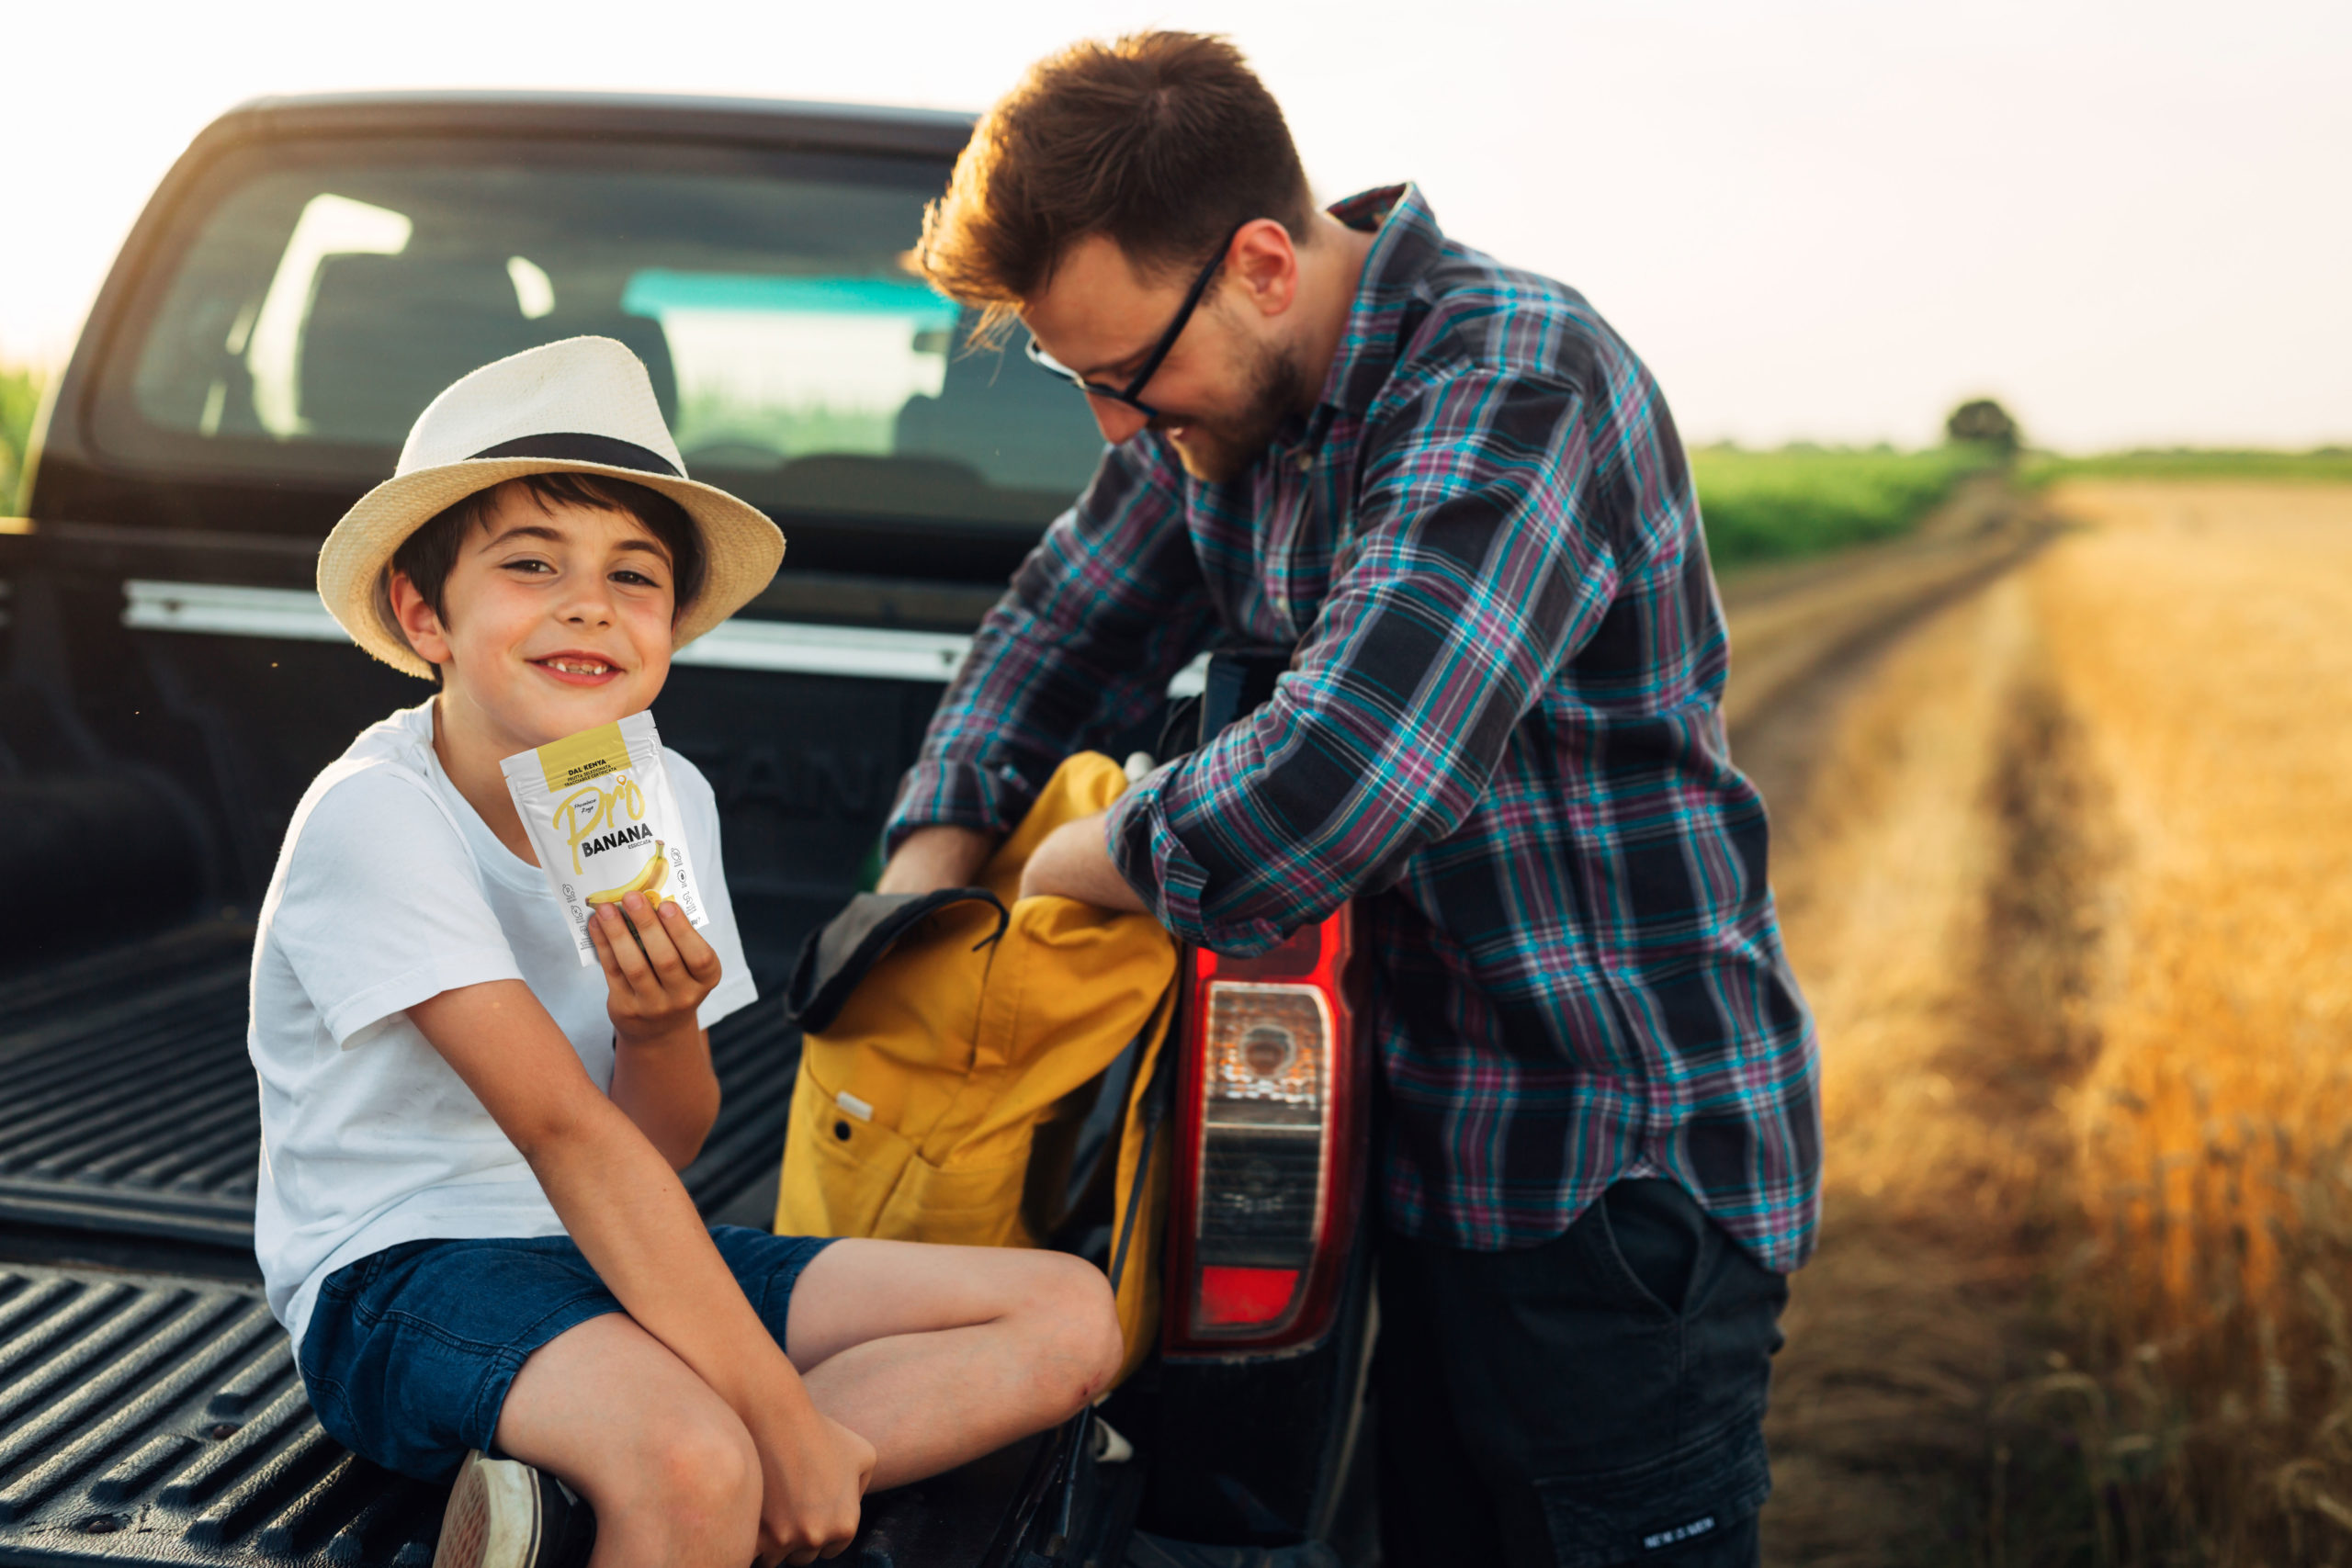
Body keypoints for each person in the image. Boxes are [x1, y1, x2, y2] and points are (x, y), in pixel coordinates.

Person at [878, 33, 1820, 1567]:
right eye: (1080, 382)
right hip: (1412, 1151)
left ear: (1260, 261)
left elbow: (1336, 783)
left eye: (1125, 374)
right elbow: (1058, 628)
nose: (1116, 423)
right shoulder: (1220, 404)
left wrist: (1080, 855)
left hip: (1607, 1171)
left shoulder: (1514, 379)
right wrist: (930, 869)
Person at [251, 337, 1125, 1568]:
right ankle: (680, 1488)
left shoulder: (663, 802)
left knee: (1069, 1313)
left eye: (634, 575)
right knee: (696, 1455)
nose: (588, 603)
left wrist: (657, 1027)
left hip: (614, 1242)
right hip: (405, 1273)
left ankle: (592, 1512)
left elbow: (657, 1142)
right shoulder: (375, 815)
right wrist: (773, 1420)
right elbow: (564, 1131)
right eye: (529, 565)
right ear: (420, 612)